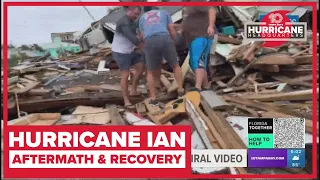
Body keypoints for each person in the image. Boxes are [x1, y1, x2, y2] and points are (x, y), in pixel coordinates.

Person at [139, 6, 185, 106]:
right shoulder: (164, 13)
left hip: (150, 40)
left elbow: (142, 36)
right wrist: (174, 41)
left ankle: (153, 98)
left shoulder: (142, 18)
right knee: (175, 65)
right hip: (164, 38)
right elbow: (171, 29)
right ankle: (181, 91)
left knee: (150, 71)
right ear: (157, 9)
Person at [112, 6, 145, 108]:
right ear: (129, 10)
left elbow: (138, 34)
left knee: (140, 67)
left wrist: (141, 36)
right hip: (120, 52)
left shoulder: (133, 21)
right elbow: (133, 39)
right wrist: (145, 49)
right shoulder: (123, 22)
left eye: (138, 14)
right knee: (125, 75)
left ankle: (133, 90)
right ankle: (126, 100)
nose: (136, 16)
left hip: (130, 50)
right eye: (135, 14)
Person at [181, 4, 217, 92]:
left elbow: (212, 10)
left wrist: (211, 26)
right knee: (194, 62)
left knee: (198, 61)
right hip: (193, 37)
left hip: (202, 35)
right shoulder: (187, 7)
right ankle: (206, 86)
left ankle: (198, 87)